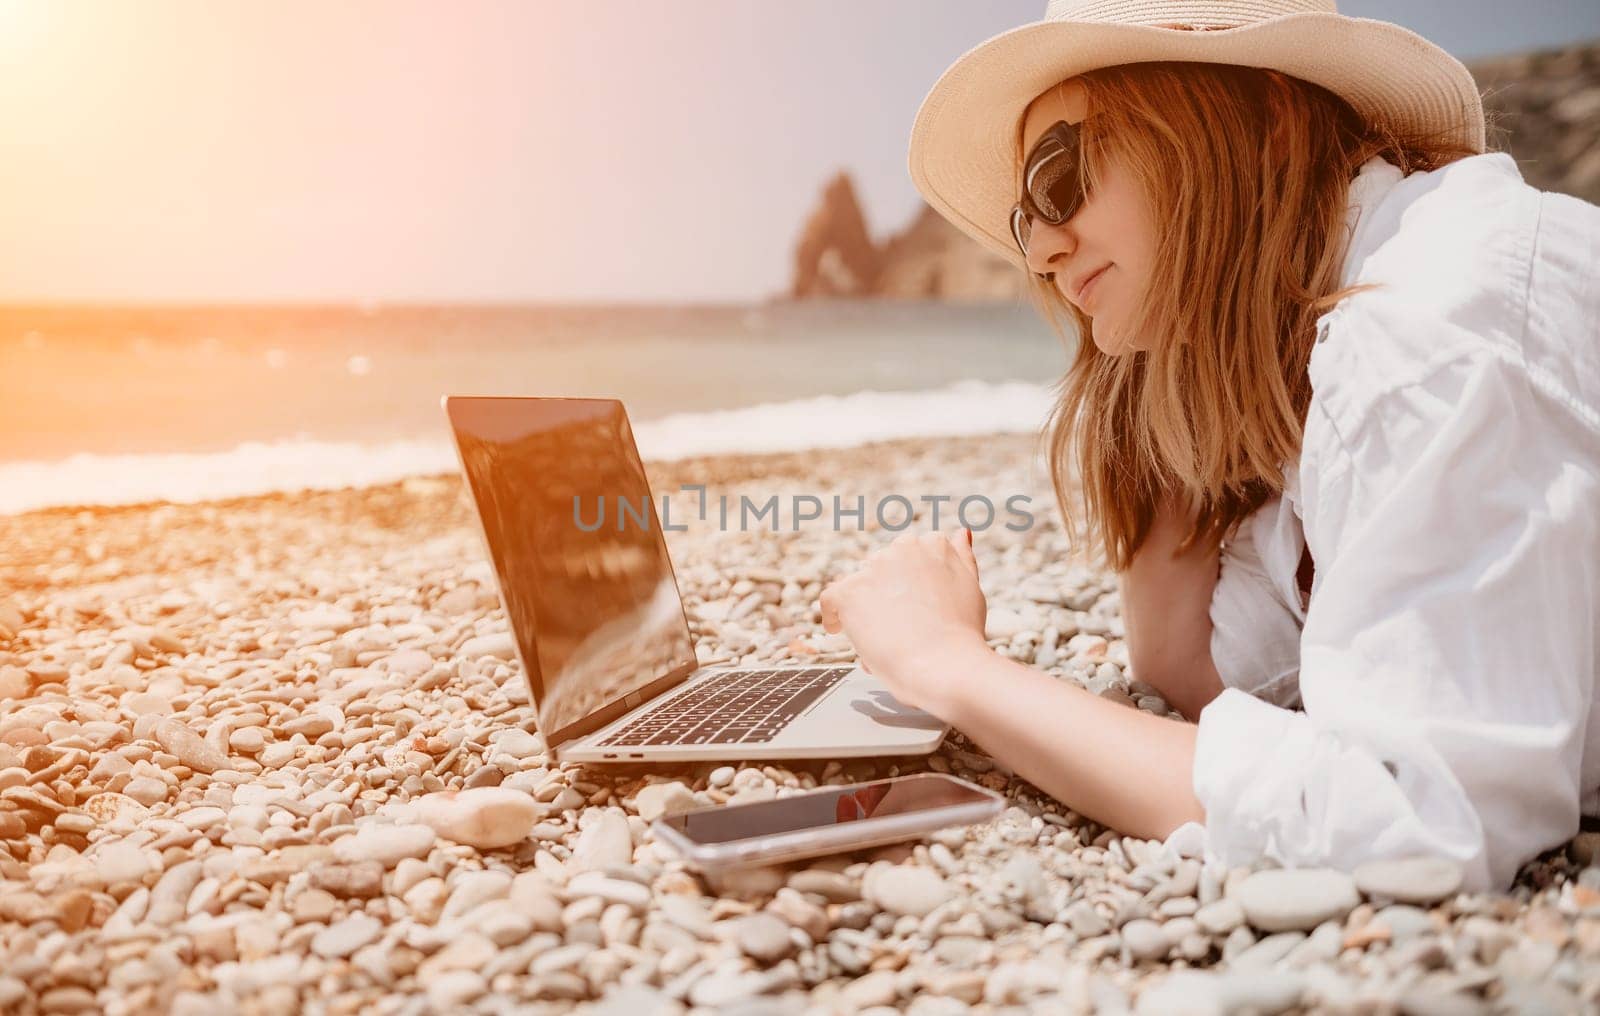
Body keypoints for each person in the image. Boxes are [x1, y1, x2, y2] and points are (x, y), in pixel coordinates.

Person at [818, 0, 1600, 893]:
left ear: (1262, 121)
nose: (1036, 248)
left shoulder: (1424, 336)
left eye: (1056, 176)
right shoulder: (1326, 347)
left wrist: (949, 667)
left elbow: (1417, 823)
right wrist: (1164, 354)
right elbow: (1198, 671)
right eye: (1021, 215)